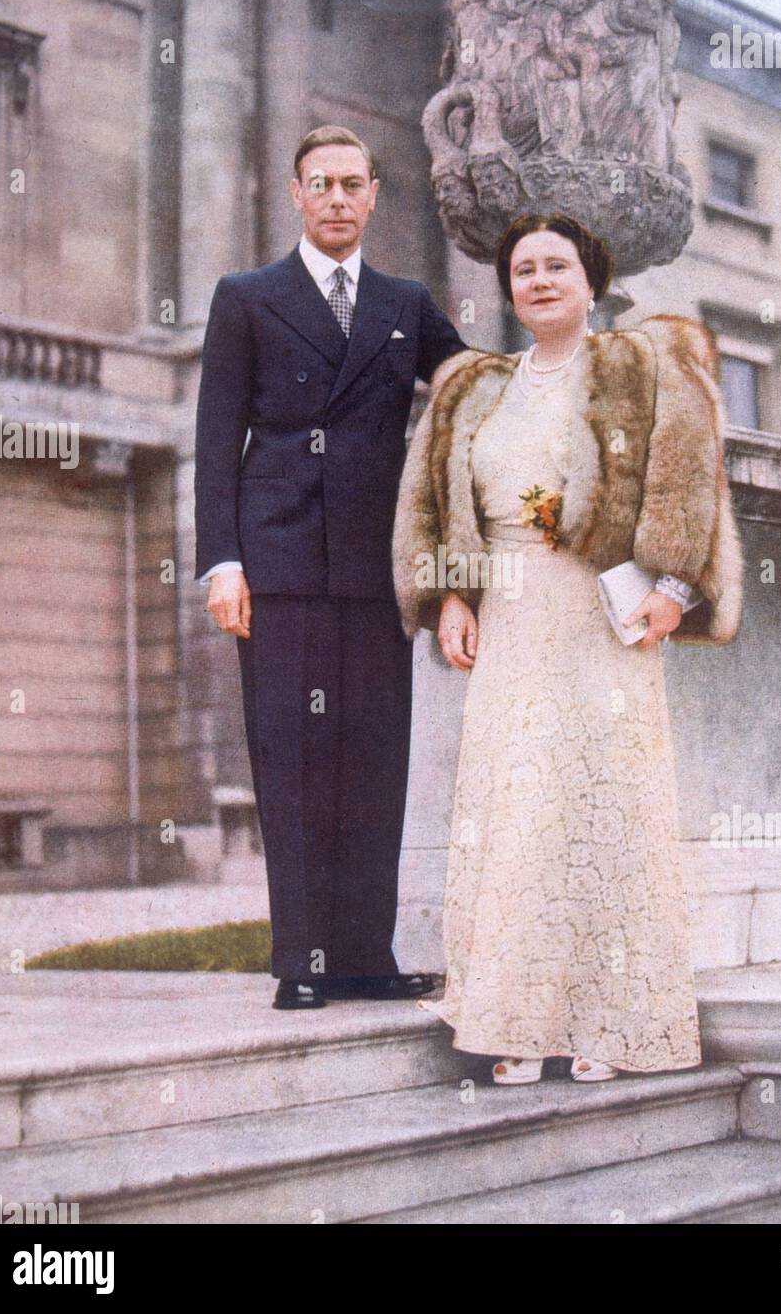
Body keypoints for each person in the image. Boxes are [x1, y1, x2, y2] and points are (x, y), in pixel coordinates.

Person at [392, 211, 743, 1082]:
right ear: (507, 289)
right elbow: (433, 500)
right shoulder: (475, 387)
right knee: (514, 809)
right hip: (508, 614)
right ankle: (514, 1022)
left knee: (605, 805)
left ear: (591, 282)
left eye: (557, 266)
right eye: (523, 270)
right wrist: (449, 596)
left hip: (601, 610)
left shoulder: (635, 365)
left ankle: (609, 1026)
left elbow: (685, 471)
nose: (539, 281)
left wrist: (670, 584)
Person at [194, 125, 467, 1009]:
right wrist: (221, 562)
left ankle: (364, 957)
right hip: (276, 565)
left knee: (373, 759)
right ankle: (303, 962)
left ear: (376, 194)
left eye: (355, 183)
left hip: (375, 565)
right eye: (323, 183)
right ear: (297, 193)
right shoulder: (247, 296)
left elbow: (471, 387)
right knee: (294, 757)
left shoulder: (405, 301)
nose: (340, 198)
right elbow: (214, 439)